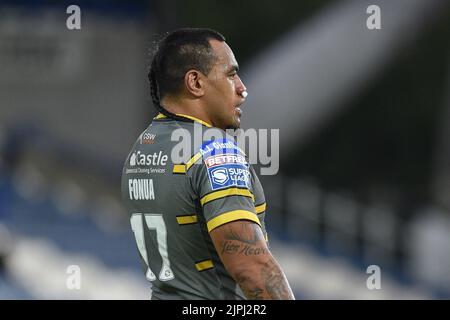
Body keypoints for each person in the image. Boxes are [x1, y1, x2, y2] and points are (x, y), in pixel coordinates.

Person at [121, 28, 294, 300]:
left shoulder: (142, 148)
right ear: (195, 83)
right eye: (231, 74)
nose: (242, 88)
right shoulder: (216, 152)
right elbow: (253, 269)